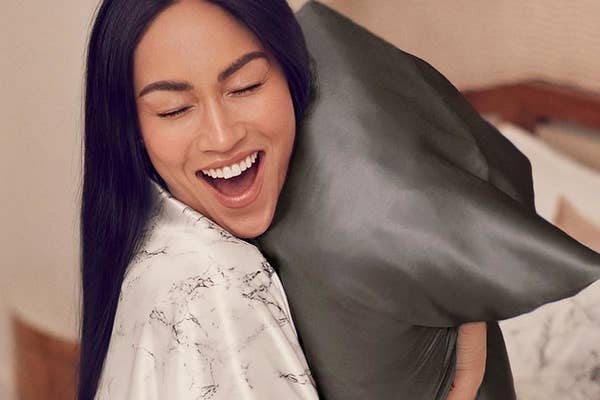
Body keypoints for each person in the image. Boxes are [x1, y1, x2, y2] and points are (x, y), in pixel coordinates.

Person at [77, 0, 487, 399]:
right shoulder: (218, 282)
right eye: (174, 109)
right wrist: (464, 383)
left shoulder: (151, 236)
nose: (222, 137)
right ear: (130, 129)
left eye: (245, 86)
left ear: (292, 78)